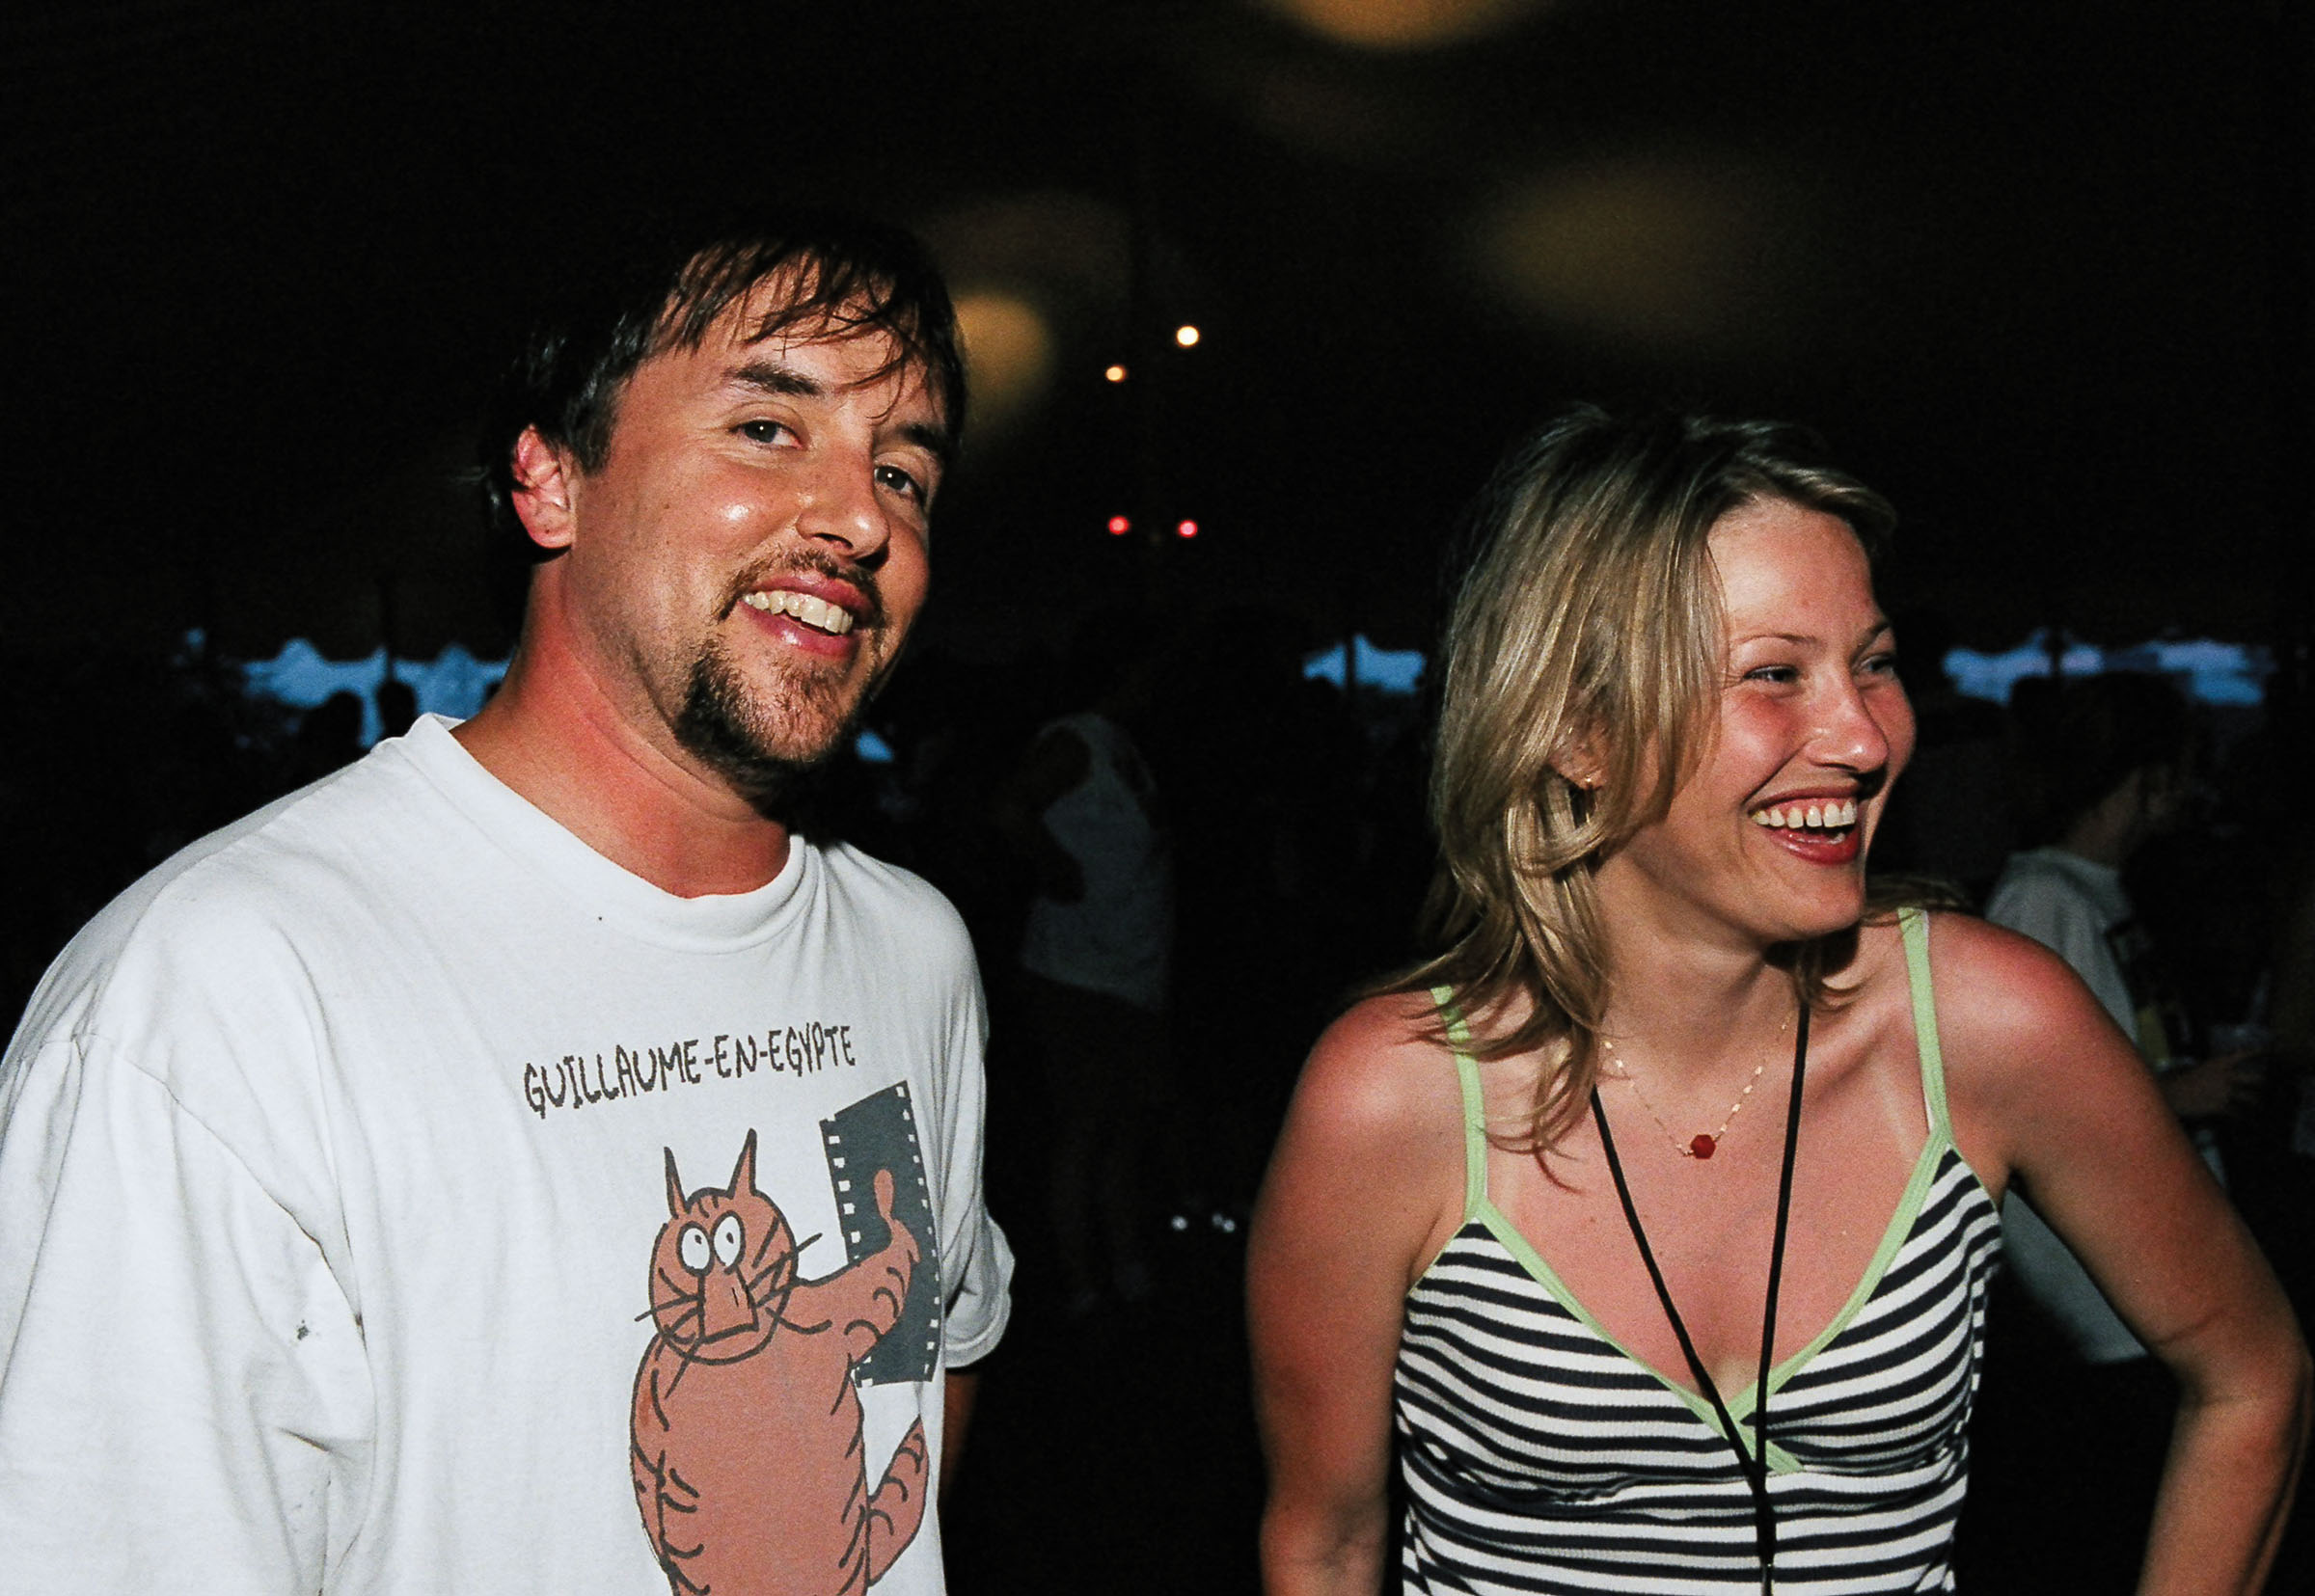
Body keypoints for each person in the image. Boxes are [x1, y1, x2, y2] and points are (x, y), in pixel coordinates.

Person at [0, 209, 1013, 1594]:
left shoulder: (914, 950)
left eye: (905, 469)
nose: (858, 516)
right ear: (552, 484)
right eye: (769, 428)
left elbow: (923, 1361)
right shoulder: (221, 992)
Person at [1247, 408, 2307, 1594]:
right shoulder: (1394, 1095)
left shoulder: (1982, 1025)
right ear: (1578, 731)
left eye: (1874, 662)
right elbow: (1326, 1538)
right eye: (1774, 675)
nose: (1864, 737)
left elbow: (2251, 1370)